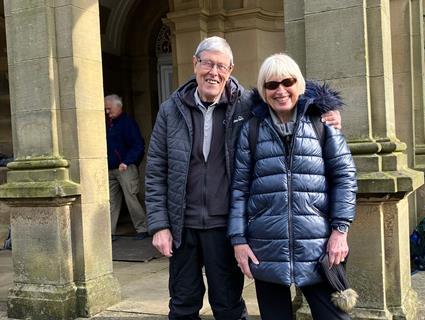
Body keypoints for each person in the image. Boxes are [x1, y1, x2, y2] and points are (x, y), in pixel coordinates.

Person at [145, 37, 342, 320]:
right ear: (195, 64)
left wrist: (326, 110)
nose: (214, 72)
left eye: (221, 66)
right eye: (207, 63)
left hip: (225, 225)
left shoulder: (247, 104)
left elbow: (286, 89)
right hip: (181, 226)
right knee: (182, 304)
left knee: (228, 306)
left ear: (231, 69)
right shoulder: (170, 109)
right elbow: (155, 171)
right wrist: (159, 225)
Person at [228, 53, 357, 320]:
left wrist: (340, 231)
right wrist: (239, 240)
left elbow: (344, 178)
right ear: (263, 90)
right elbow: (240, 189)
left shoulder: (321, 124)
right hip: (265, 246)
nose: (280, 90)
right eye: (271, 85)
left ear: (298, 84)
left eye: (287, 82)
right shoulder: (251, 130)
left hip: (318, 246)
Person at [105, 94, 148, 241]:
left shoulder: (128, 123)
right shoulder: (108, 123)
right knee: (110, 201)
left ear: (118, 106)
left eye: (109, 108)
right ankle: (108, 232)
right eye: (105, 109)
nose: (107, 112)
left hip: (125, 168)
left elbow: (138, 145)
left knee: (131, 198)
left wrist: (127, 161)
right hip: (110, 168)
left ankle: (142, 228)